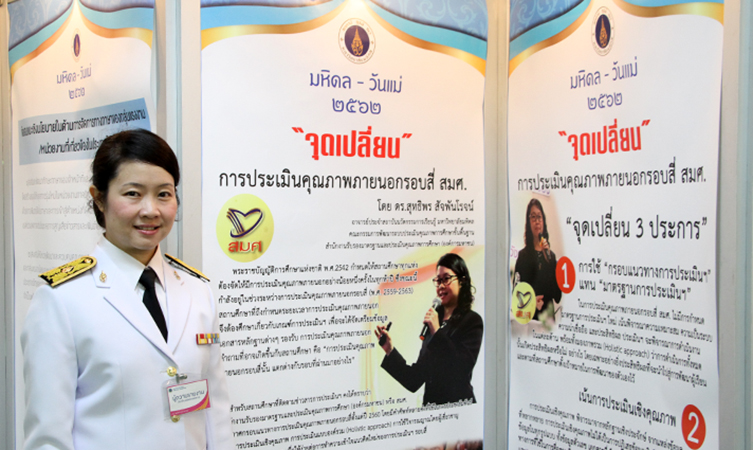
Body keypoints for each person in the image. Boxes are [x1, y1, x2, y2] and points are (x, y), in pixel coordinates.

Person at [21, 129, 234, 450]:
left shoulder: (197, 290)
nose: (151, 210)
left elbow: (215, 412)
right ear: (99, 198)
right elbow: (48, 438)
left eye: (164, 194)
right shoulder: (61, 300)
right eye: (133, 193)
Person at [374, 253, 483, 405]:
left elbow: (460, 370)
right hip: (432, 410)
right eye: (438, 280)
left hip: (458, 409)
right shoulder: (434, 324)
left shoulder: (471, 321)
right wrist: (389, 350)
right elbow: (414, 380)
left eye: (446, 278)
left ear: (462, 281)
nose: (441, 286)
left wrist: (437, 332)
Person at [514, 198, 561, 321]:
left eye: (539, 217)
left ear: (543, 221)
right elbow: (516, 293)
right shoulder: (523, 256)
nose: (537, 221)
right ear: (528, 222)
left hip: (547, 322)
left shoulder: (551, 256)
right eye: (533, 217)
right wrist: (531, 302)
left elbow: (557, 296)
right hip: (529, 320)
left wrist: (549, 262)